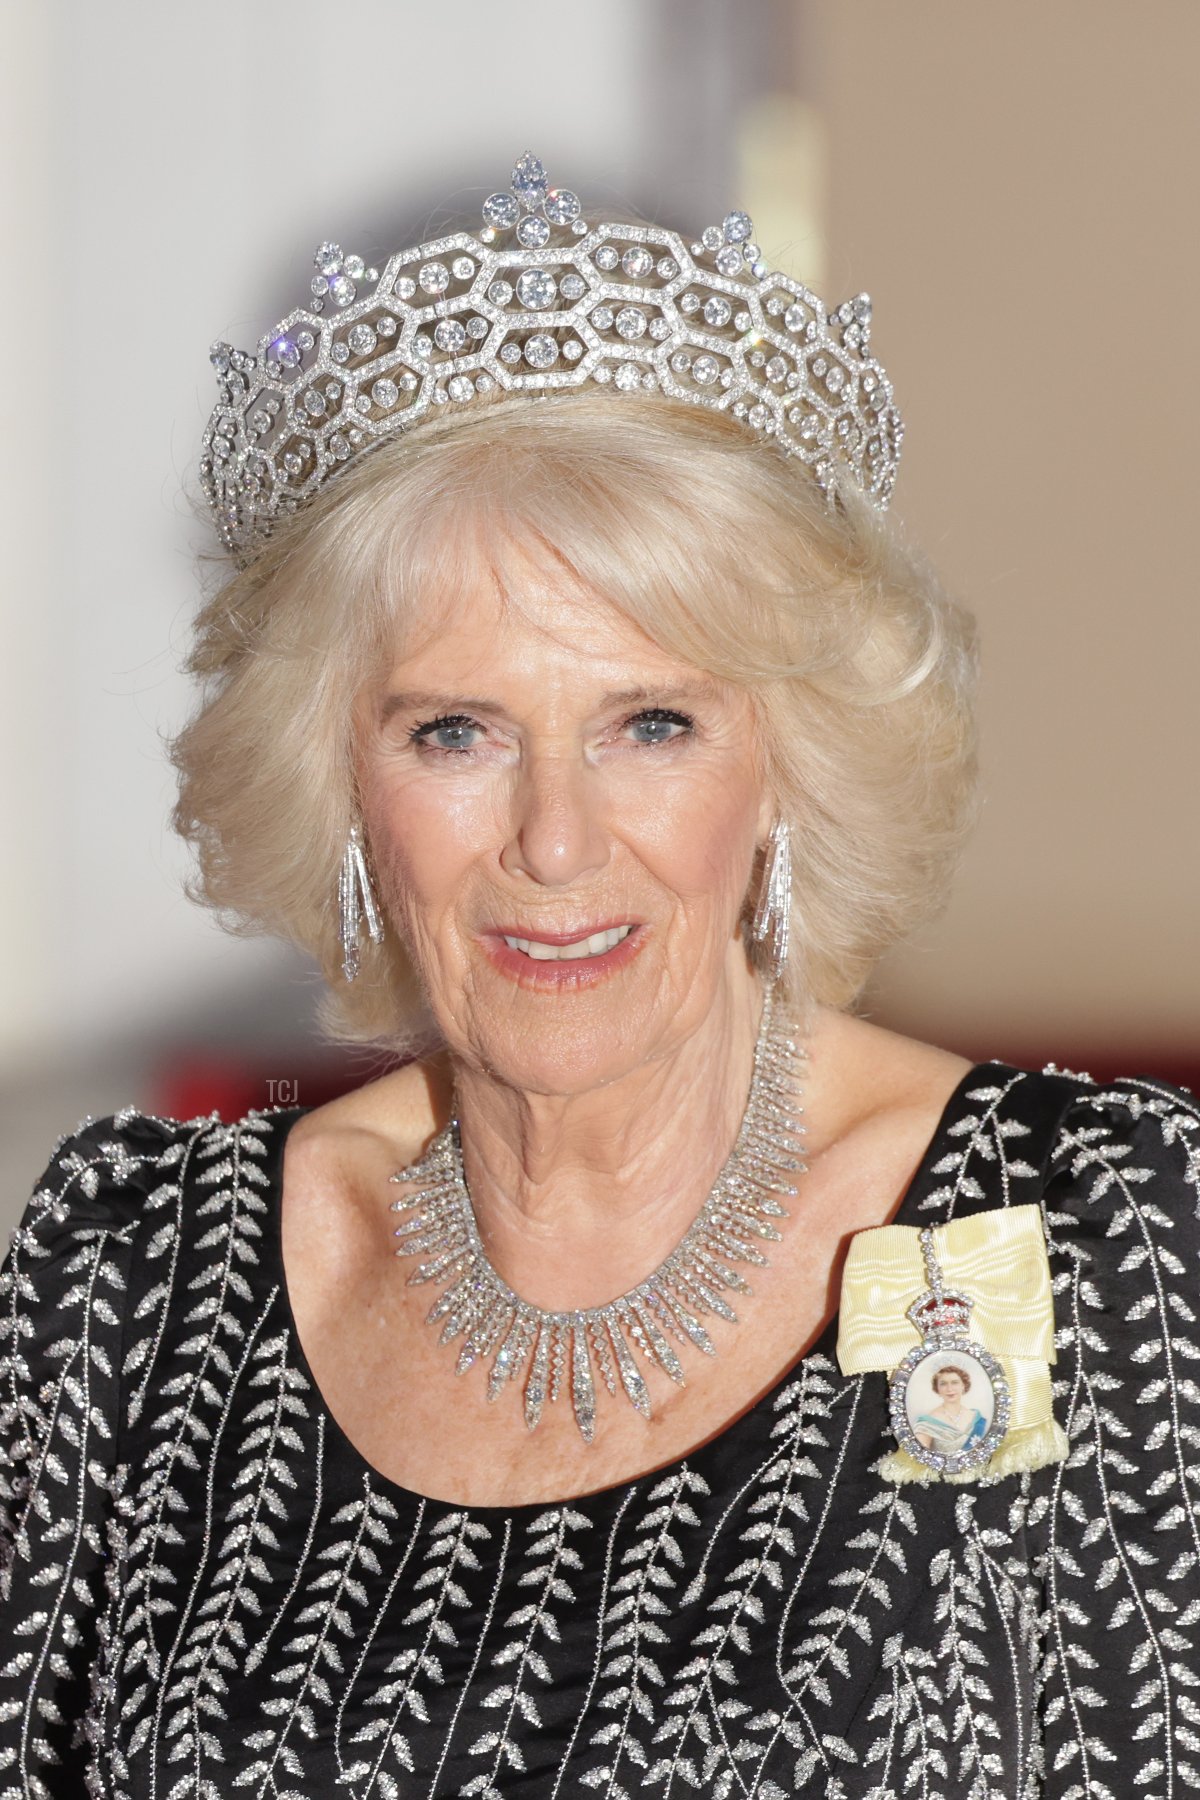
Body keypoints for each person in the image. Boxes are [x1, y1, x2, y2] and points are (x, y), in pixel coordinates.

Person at [2, 152, 1198, 1799]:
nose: (555, 842)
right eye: (455, 731)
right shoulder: (138, 1285)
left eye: (651, 725)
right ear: (339, 785)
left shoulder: (1098, 1233)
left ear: (783, 770)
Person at [912, 1364, 989, 1457]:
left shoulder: (977, 1418)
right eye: (943, 1384)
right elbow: (919, 1456)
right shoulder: (927, 1423)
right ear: (937, 1389)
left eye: (955, 1382)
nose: (949, 1389)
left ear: (963, 1386)